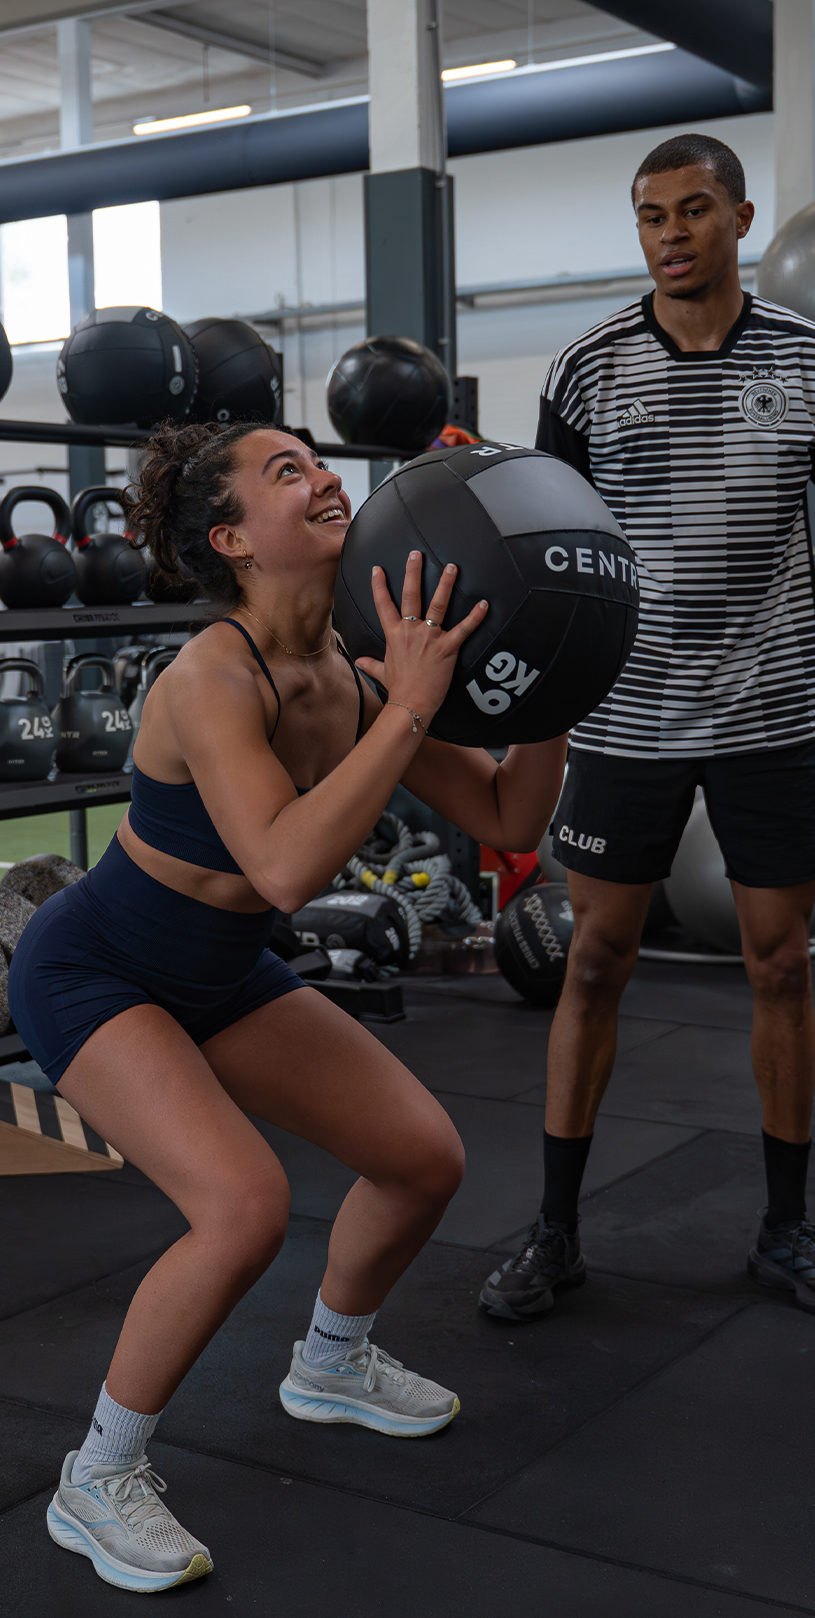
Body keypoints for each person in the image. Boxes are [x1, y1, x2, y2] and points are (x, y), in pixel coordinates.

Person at [8, 419, 568, 1593]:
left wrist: (562, 672)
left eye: (316, 461)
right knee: (244, 1205)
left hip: (217, 974)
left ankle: (331, 1361)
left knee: (421, 1157)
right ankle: (98, 1475)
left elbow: (512, 817)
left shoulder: (359, 674)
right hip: (98, 969)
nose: (321, 480)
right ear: (232, 540)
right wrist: (411, 708)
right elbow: (281, 871)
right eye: (285, 473)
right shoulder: (212, 674)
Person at [479, 132, 815, 1325]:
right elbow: (547, 549)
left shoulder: (807, 361)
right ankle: (556, 1229)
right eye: (649, 217)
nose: (670, 233)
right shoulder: (586, 370)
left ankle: (788, 1227)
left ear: (738, 217)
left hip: (777, 702)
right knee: (596, 959)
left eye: (692, 210)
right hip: (628, 712)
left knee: (780, 963)